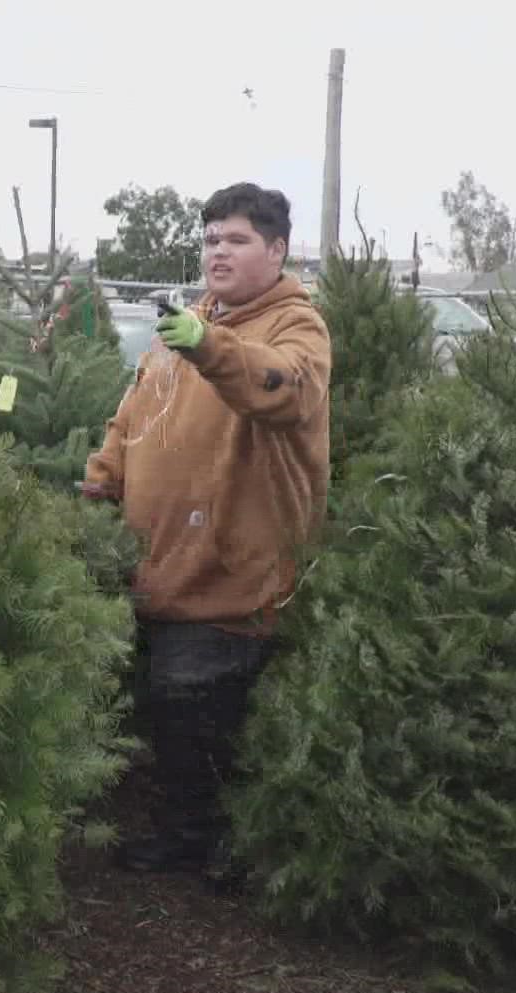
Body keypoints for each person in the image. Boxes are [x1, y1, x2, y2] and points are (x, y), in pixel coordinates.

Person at [83, 182, 332, 885]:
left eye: (238, 240)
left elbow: (284, 387)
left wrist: (210, 347)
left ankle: (204, 842)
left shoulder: (294, 328)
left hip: (229, 570)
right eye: (211, 239)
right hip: (161, 561)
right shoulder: (188, 323)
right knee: (166, 702)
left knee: (195, 703)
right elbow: (135, 414)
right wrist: (102, 477)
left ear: (277, 249)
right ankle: (186, 824)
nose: (219, 252)